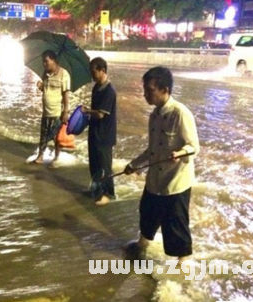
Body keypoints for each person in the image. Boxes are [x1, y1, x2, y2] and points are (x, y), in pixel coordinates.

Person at [123, 66, 199, 264]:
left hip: (176, 181)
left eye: (150, 90)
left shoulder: (181, 114)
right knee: (147, 212)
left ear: (165, 89)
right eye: (145, 90)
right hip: (155, 179)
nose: (145, 94)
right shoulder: (154, 115)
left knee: (176, 224)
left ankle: (183, 262)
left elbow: (194, 147)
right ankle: (142, 245)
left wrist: (180, 153)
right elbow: (151, 150)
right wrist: (134, 165)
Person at [81, 57, 117, 205]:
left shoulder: (109, 91)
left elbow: (101, 114)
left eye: (94, 72)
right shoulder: (96, 88)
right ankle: (96, 190)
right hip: (94, 132)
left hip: (105, 134)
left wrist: (87, 111)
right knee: (94, 163)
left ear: (103, 71)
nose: (92, 75)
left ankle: (109, 194)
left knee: (104, 165)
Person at [31, 49, 70, 167]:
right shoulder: (45, 73)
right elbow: (46, 89)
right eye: (43, 62)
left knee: (56, 137)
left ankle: (56, 158)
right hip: (46, 111)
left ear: (53, 60)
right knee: (43, 134)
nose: (44, 64)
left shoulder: (64, 74)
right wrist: (41, 86)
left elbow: (66, 94)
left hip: (57, 111)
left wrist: (66, 111)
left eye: (46, 61)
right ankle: (40, 156)